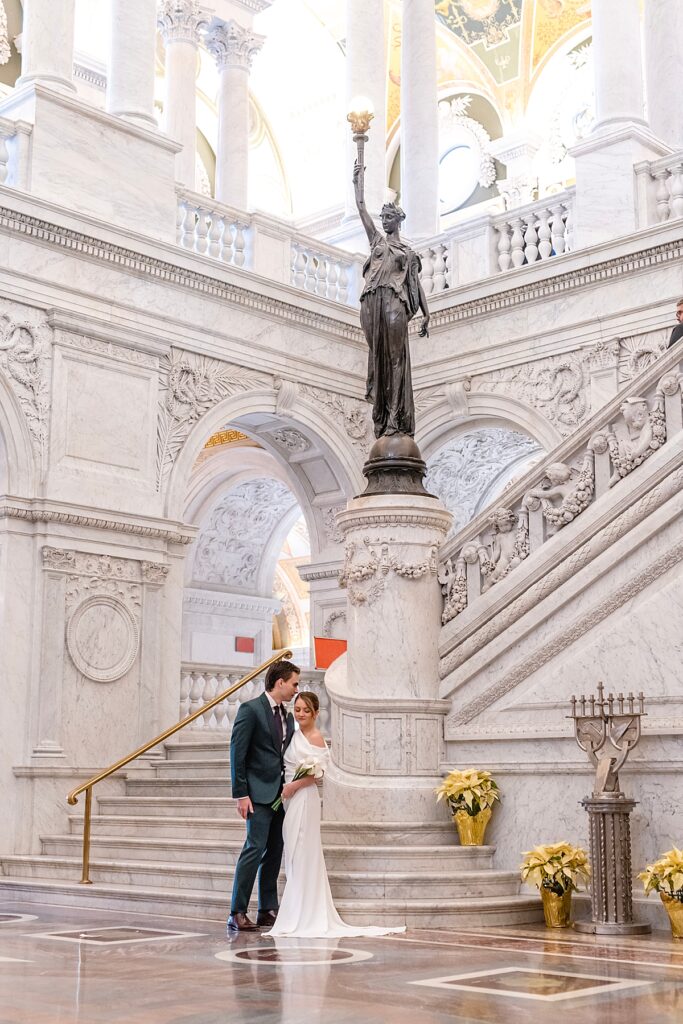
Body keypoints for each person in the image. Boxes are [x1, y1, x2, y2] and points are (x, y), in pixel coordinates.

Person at [266, 691, 405, 938]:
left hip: (304, 799)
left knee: (302, 852)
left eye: (306, 710)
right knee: (294, 855)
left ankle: (305, 914)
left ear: (316, 713)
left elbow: (317, 773)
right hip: (289, 800)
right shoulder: (294, 734)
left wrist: (293, 786)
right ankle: (296, 910)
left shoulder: (317, 738)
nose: (300, 714)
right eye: (297, 709)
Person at [353, 162, 430, 439]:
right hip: (372, 304)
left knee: (396, 359)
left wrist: (426, 313)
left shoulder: (408, 253)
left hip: (395, 302)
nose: (383, 221)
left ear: (398, 220)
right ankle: (383, 417)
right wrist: (357, 183)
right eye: (382, 217)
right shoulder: (376, 242)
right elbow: (361, 208)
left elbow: (416, 284)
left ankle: (396, 416)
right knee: (378, 359)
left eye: (388, 217)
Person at [227, 659, 300, 932]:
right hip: (257, 794)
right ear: (279, 682)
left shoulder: (288, 716)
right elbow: (238, 754)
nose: (296, 689)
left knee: (275, 852)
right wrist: (241, 794)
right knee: (254, 849)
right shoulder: (251, 710)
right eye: (294, 683)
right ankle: (237, 911)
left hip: (281, 795)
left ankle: (268, 909)